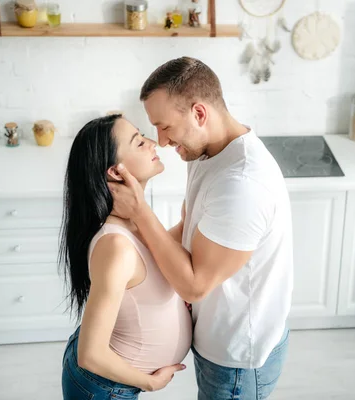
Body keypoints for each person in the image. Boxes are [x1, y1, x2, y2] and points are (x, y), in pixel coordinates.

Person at [109, 56, 293, 399]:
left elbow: (194, 286)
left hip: (238, 359)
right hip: (219, 341)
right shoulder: (207, 153)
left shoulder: (242, 184)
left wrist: (139, 211)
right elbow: (189, 227)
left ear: (199, 113)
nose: (161, 141)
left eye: (165, 126)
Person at [59, 114, 192, 400]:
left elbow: (145, 263)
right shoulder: (114, 245)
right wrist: (150, 383)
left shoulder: (133, 218)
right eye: (139, 142)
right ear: (116, 172)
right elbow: (90, 355)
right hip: (104, 388)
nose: (154, 143)